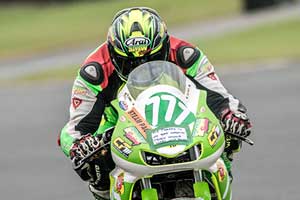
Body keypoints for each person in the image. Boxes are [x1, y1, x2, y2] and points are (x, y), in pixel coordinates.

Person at [58, 7, 252, 200]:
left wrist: (232, 115)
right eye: (130, 63)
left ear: (165, 46)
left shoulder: (185, 54)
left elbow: (220, 97)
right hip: (118, 123)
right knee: (93, 162)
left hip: (178, 115)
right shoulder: (94, 71)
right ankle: (105, 194)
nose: (142, 66)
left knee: (229, 135)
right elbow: (74, 128)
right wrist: (80, 145)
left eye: (152, 58)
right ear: (114, 53)